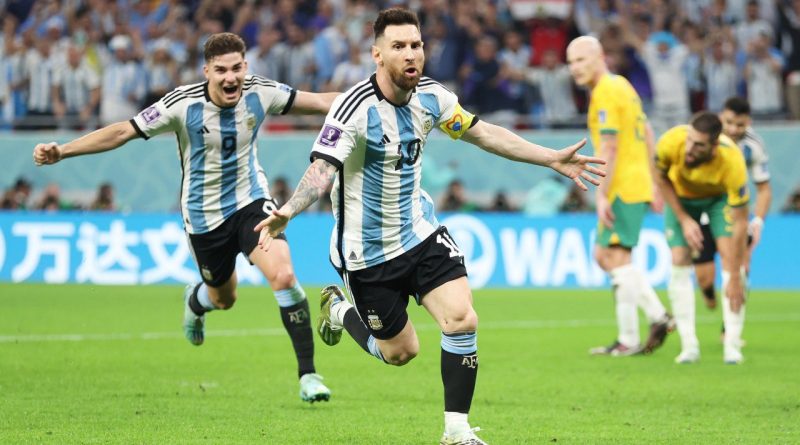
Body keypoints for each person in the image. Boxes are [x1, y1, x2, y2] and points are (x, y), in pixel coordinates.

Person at [254, 9, 605, 444]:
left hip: (420, 233)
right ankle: (341, 310)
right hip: (367, 253)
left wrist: (549, 158)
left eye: (416, 45)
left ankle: (456, 430)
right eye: (398, 46)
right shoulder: (352, 109)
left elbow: (484, 134)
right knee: (400, 353)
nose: (410, 54)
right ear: (377, 55)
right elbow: (323, 169)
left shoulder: (433, 98)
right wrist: (290, 209)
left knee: (461, 319)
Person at [32, 32, 340, 403]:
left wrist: (374, 99)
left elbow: (321, 101)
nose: (231, 77)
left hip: (251, 202)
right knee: (224, 298)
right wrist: (63, 151)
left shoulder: (262, 92)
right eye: (221, 70)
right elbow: (123, 130)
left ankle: (308, 376)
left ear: (246, 66)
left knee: (284, 275)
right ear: (206, 71)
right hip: (203, 217)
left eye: (237, 68)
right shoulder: (181, 103)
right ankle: (196, 301)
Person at [566, 36, 674, 357]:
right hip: (635, 181)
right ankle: (636, 332)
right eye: (571, 62)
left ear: (600, 57)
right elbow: (648, 132)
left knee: (611, 257)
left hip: (622, 184)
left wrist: (602, 195)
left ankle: (652, 320)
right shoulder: (622, 85)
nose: (575, 68)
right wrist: (654, 181)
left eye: (581, 60)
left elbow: (609, 148)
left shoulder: (605, 92)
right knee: (610, 256)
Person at [655, 112, 750, 365]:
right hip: (681, 200)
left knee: (731, 264)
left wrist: (736, 274)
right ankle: (689, 346)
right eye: (689, 140)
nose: (689, 148)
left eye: (698, 145)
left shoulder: (732, 161)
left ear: (714, 145)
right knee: (679, 259)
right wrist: (684, 219)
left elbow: (741, 220)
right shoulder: (670, 142)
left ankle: (732, 346)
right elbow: (659, 176)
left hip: (718, 201)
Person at [694, 97, 771, 310]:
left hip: (735, 214)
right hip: (705, 211)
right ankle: (709, 294)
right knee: (704, 279)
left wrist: (758, 222)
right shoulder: (704, 137)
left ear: (749, 122)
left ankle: (731, 326)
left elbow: (764, 189)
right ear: (721, 117)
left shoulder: (753, 146)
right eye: (729, 122)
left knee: (739, 268)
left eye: (740, 124)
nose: (734, 129)